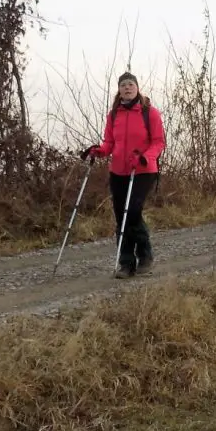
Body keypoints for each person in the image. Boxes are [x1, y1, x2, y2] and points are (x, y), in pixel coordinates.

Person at [82, 71, 167, 278]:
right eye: (123, 85)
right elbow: (110, 142)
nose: (127, 88)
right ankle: (126, 263)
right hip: (118, 171)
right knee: (121, 215)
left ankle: (145, 255)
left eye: (130, 84)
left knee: (134, 211)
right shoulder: (113, 115)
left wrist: (146, 157)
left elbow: (159, 142)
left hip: (143, 170)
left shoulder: (150, 112)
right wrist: (100, 151)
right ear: (119, 91)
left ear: (137, 88)